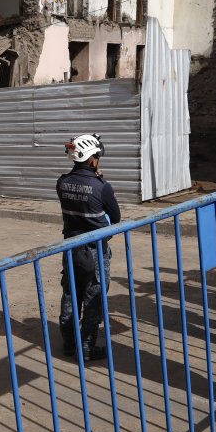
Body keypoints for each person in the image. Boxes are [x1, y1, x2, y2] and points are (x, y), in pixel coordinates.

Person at [55, 133, 121, 361]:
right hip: (94, 250)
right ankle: (86, 348)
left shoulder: (62, 182)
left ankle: (69, 344)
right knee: (93, 298)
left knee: (70, 294)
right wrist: (99, 181)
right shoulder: (101, 186)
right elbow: (116, 217)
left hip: (70, 247)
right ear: (92, 160)